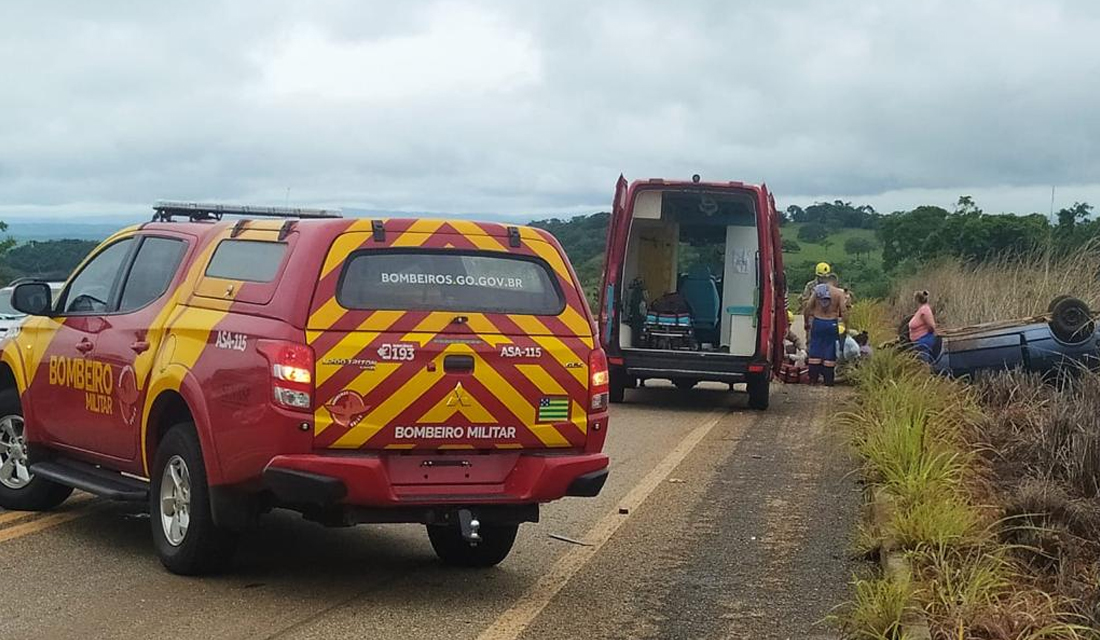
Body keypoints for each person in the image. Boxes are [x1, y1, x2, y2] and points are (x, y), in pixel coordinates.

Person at [803, 274, 848, 385]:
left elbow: (808, 306)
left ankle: (813, 379)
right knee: (830, 349)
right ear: (835, 282)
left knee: (815, 348)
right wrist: (847, 326)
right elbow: (844, 311)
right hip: (831, 323)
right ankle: (828, 380)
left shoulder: (818, 290)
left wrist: (806, 321)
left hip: (818, 322)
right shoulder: (839, 293)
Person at [908, 290, 938, 362]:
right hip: (920, 342)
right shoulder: (921, 309)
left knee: (924, 364)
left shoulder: (925, 310)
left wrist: (926, 335)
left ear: (917, 300)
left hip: (923, 341)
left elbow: (931, 326)